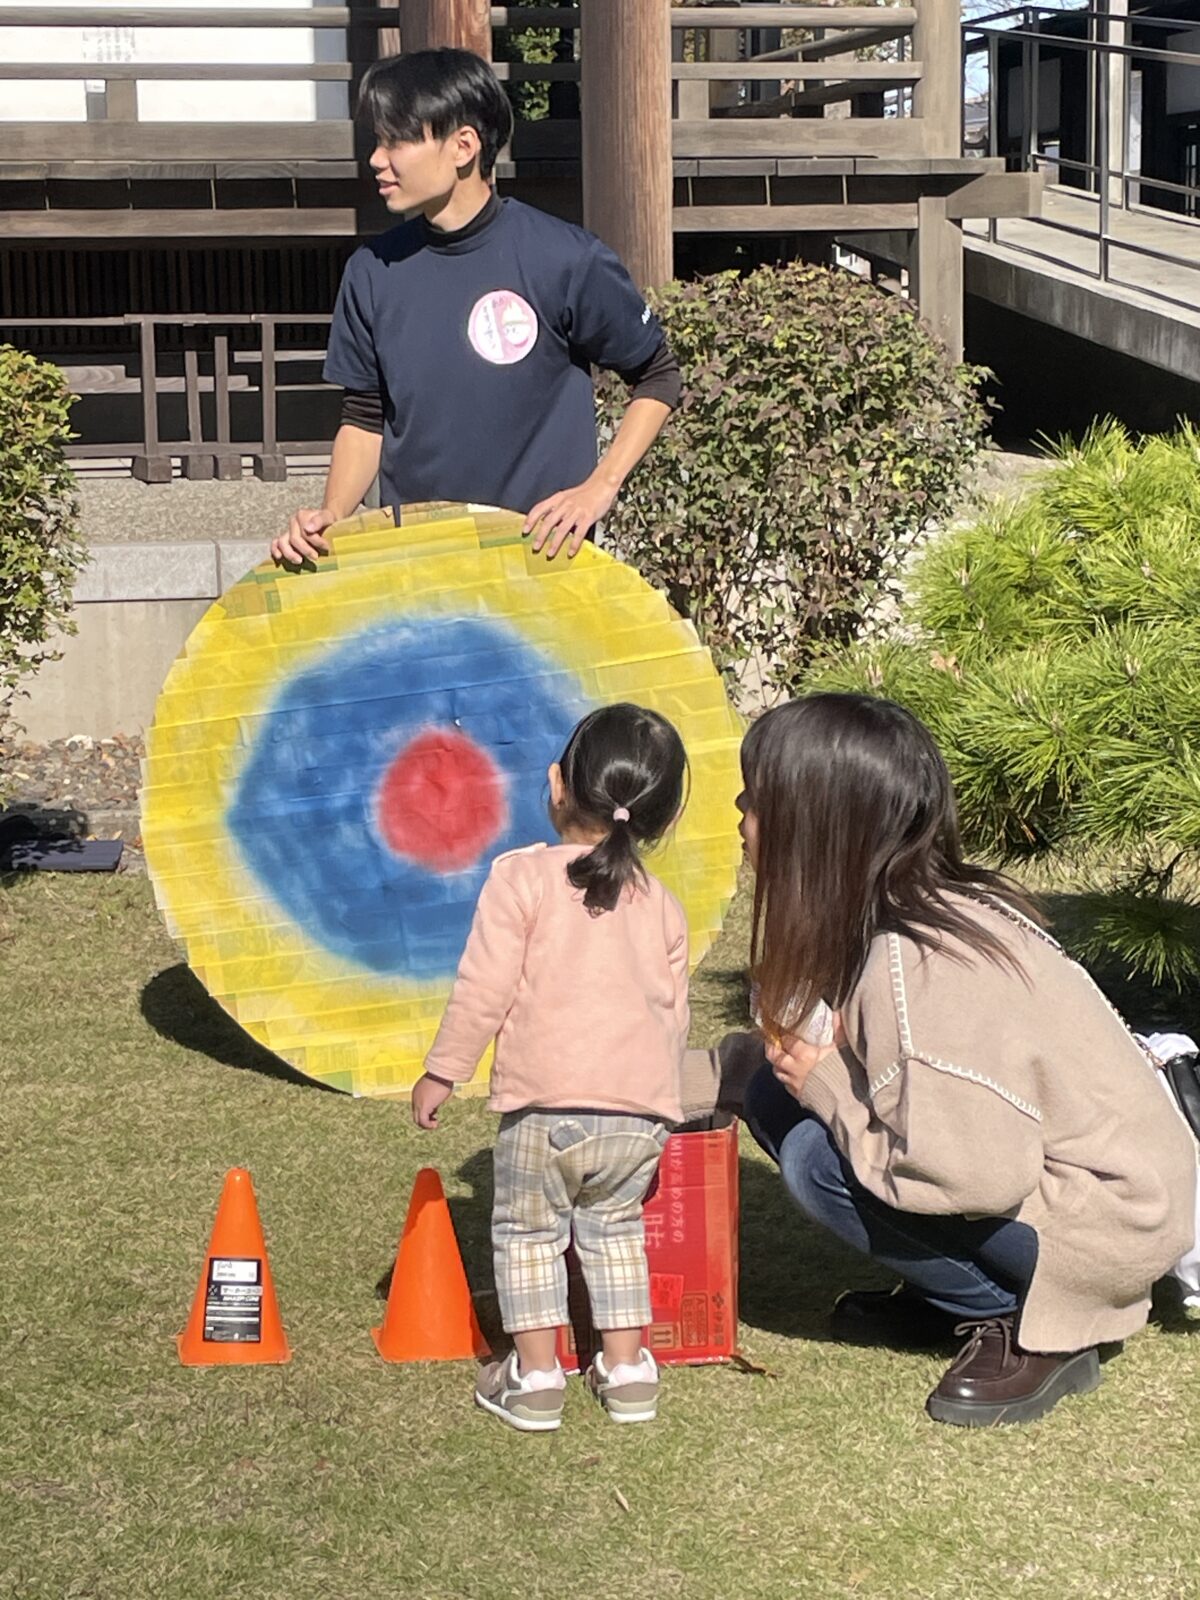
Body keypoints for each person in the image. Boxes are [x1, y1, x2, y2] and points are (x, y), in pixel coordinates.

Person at [680, 693, 1197, 1428]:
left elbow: (971, 1173)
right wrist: (620, 1081)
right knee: (778, 1094)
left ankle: (1032, 1327)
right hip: (1063, 1183)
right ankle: (953, 1293)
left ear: (817, 828)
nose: (739, 814)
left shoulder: (915, 968)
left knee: (816, 1163)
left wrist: (828, 1093)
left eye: (755, 800)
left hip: (1110, 1220)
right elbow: (777, 1064)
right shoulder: (890, 913)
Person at [271, 48, 681, 568]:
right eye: (377, 140)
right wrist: (332, 514)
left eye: (396, 140)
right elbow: (365, 416)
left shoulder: (565, 258)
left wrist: (600, 487)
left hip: (544, 565)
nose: (377, 158)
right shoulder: (372, 270)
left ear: (463, 145)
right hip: (418, 567)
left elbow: (658, 374)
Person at [411, 703, 690, 1432]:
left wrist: (445, 1070)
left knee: (529, 1235)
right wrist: (669, 1104)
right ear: (660, 817)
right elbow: (673, 1015)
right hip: (641, 1117)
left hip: (546, 1107)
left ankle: (536, 1378)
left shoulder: (521, 878)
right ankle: (628, 1372)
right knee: (614, 1229)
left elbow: (484, 988)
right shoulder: (662, 904)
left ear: (556, 784)